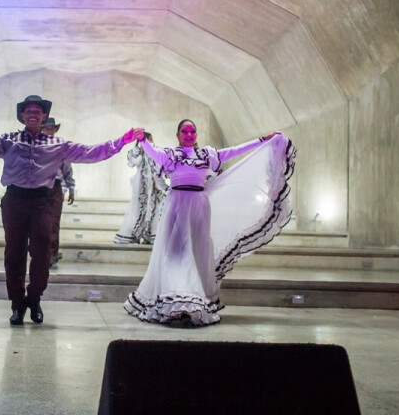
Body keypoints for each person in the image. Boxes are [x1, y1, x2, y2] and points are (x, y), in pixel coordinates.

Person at [0, 95, 143, 326]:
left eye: (38, 110)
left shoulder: (58, 145)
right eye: (29, 110)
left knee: (43, 252)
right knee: (14, 254)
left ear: (44, 116)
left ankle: (34, 298)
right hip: (14, 200)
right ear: (22, 116)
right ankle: (17, 304)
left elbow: (91, 152)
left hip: (42, 202)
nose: (33, 113)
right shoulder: (8, 140)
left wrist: (122, 141)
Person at [124, 119, 296, 326]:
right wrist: (142, 140)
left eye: (192, 131)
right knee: (175, 253)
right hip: (176, 206)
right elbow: (153, 153)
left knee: (195, 252)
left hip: (198, 206)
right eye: (184, 131)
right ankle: (175, 300)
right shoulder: (170, 155)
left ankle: (192, 299)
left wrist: (261, 141)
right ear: (178, 135)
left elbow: (234, 151)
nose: (189, 134)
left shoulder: (208, 155)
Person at [113, 132, 167, 245]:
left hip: (153, 183)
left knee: (154, 207)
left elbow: (161, 163)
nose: (152, 141)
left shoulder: (156, 150)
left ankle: (150, 234)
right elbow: (134, 162)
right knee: (139, 208)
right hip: (141, 185)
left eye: (152, 139)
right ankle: (134, 234)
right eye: (150, 139)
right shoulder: (137, 151)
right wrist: (142, 151)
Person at [40, 118, 74, 269]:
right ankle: (41, 253)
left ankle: (52, 253)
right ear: (42, 129)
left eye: (52, 128)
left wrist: (71, 189)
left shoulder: (61, 148)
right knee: (39, 223)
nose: (49, 130)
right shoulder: (36, 146)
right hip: (38, 188)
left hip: (55, 187)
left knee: (54, 222)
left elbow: (67, 170)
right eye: (47, 128)